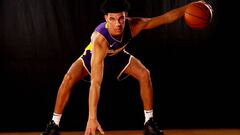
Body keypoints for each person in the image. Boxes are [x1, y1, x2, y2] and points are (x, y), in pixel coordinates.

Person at [41, 0, 202, 135]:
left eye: (121, 18)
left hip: (118, 56)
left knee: (144, 74)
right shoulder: (100, 40)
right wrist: (92, 117)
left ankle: (149, 123)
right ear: (106, 18)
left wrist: (189, 7)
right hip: (94, 57)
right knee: (68, 78)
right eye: (112, 19)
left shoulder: (134, 25)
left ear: (126, 17)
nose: (118, 24)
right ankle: (54, 125)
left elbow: (165, 17)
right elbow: (96, 83)